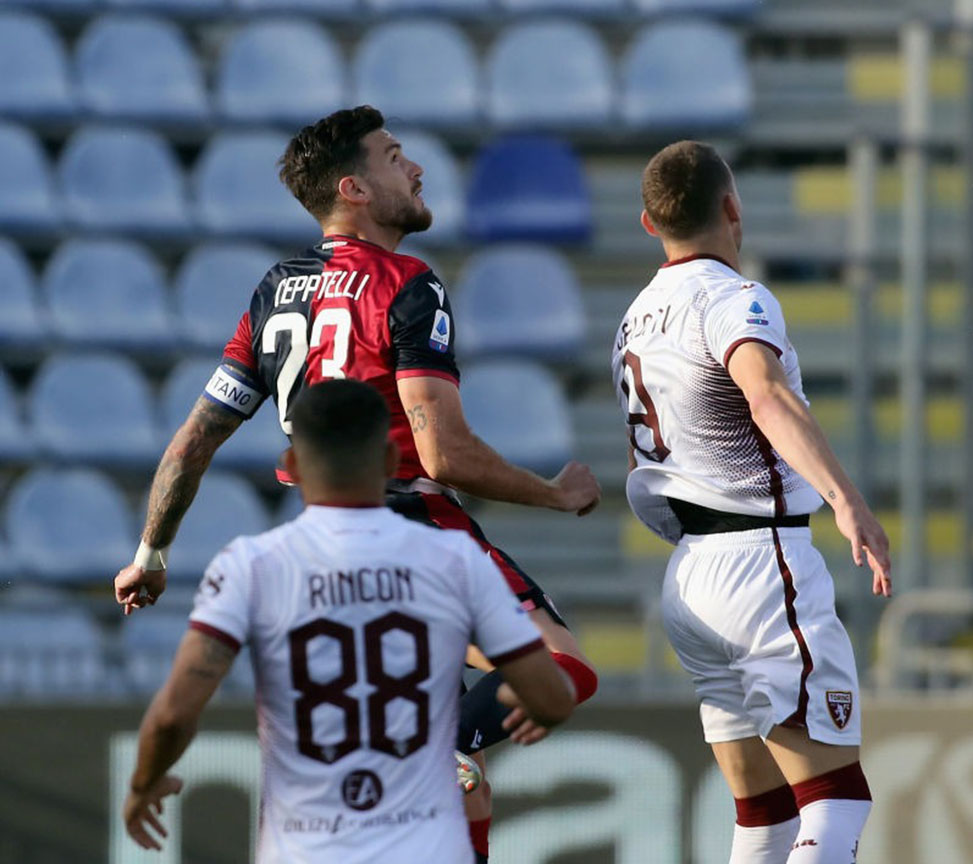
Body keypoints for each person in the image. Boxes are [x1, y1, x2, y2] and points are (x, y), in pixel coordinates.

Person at [113, 105, 601, 863]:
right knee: (560, 666)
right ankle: (438, 747)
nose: (416, 168)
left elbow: (195, 439)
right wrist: (554, 493)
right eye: (395, 156)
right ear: (356, 188)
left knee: (463, 789)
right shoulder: (407, 283)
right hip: (411, 521)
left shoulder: (275, 291)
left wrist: (150, 551)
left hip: (313, 535)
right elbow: (442, 453)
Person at [123, 380, 576, 862]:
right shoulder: (455, 561)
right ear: (389, 459)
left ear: (292, 466)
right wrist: (530, 713)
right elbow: (552, 690)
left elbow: (174, 714)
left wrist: (143, 784)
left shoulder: (250, 567)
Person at [612, 141, 892, 864]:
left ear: (649, 223)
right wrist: (846, 500)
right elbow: (763, 395)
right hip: (761, 561)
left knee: (763, 813)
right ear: (732, 207)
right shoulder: (734, 298)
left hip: (691, 574)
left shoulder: (635, 318)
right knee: (836, 798)